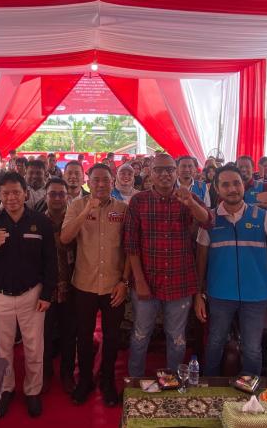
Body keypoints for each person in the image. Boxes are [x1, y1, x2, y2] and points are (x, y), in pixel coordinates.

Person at [194, 164, 267, 377]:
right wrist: (198, 294)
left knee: (252, 348)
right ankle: (210, 387)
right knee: (214, 343)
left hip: (256, 295)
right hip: (219, 294)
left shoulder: (261, 215)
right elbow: (201, 260)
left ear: (243, 185)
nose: (232, 189)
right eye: (225, 184)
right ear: (217, 188)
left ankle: (251, 391)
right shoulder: (210, 219)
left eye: (236, 183)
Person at [0, 172, 57, 418]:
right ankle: (6, 389)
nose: (11, 197)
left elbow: (50, 261)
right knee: (3, 349)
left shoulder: (40, 222)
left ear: (25, 194)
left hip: (32, 294)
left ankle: (33, 391)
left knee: (34, 347)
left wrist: (47, 294)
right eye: (6, 193)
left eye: (16, 192)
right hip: (0, 296)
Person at [124, 154, 212, 377]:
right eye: (159, 170)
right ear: (150, 173)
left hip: (179, 281)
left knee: (177, 337)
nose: (165, 174)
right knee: (140, 335)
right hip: (146, 280)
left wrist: (190, 203)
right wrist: (139, 281)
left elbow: (208, 221)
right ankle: (135, 382)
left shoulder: (187, 197)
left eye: (170, 170)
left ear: (176, 172)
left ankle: (174, 382)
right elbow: (131, 244)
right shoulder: (138, 201)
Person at [62, 164, 129, 406]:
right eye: (96, 180)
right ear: (88, 182)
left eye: (105, 180)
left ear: (113, 182)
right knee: (83, 335)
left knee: (112, 337)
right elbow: (65, 237)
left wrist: (125, 282)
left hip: (113, 286)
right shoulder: (76, 205)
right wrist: (86, 210)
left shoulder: (123, 209)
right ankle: (85, 380)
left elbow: (130, 248)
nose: (101, 184)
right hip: (84, 284)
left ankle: (107, 380)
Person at [41, 178, 76, 394]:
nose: (57, 198)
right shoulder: (37, 222)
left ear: (67, 197)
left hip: (71, 287)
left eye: (61, 194)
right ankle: (45, 374)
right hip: (44, 290)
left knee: (69, 334)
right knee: (43, 335)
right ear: (46, 197)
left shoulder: (74, 220)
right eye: (52, 194)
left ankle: (67, 374)